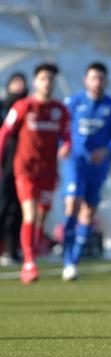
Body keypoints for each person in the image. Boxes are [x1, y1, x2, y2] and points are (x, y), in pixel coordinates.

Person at [0, 63, 70, 283]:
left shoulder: (60, 110)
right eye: (43, 78)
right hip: (25, 170)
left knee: (41, 217)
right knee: (29, 213)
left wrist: (67, 145)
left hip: (49, 172)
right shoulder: (23, 106)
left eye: (50, 79)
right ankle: (29, 263)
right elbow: (4, 133)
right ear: (35, 82)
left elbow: (68, 134)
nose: (47, 83)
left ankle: (32, 251)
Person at [61, 62, 111, 281]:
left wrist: (106, 149)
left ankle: (73, 264)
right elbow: (63, 129)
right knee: (72, 206)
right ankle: (66, 257)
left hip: (98, 167)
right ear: (85, 80)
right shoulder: (73, 103)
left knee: (88, 212)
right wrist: (64, 144)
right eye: (93, 77)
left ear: (106, 81)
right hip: (76, 163)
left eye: (101, 78)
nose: (97, 82)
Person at [0, 72, 28, 265]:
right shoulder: (3, 107)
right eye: (15, 82)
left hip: (22, 166)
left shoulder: (29, 107)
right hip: (4, 165)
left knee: (17, 210)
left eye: (21, 83)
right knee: (3, 207)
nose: (18, 86)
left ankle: (12, 250)